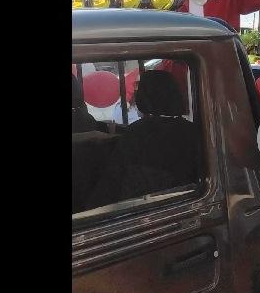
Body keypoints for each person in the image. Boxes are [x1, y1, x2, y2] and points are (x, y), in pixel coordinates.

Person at [85, 70, 200, 210]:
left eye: (138, 87)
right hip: (186, 206)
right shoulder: (194, 131)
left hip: (141, 210)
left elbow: (112, 181)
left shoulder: (137, 133)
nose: (135, 91)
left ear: (146, 96)